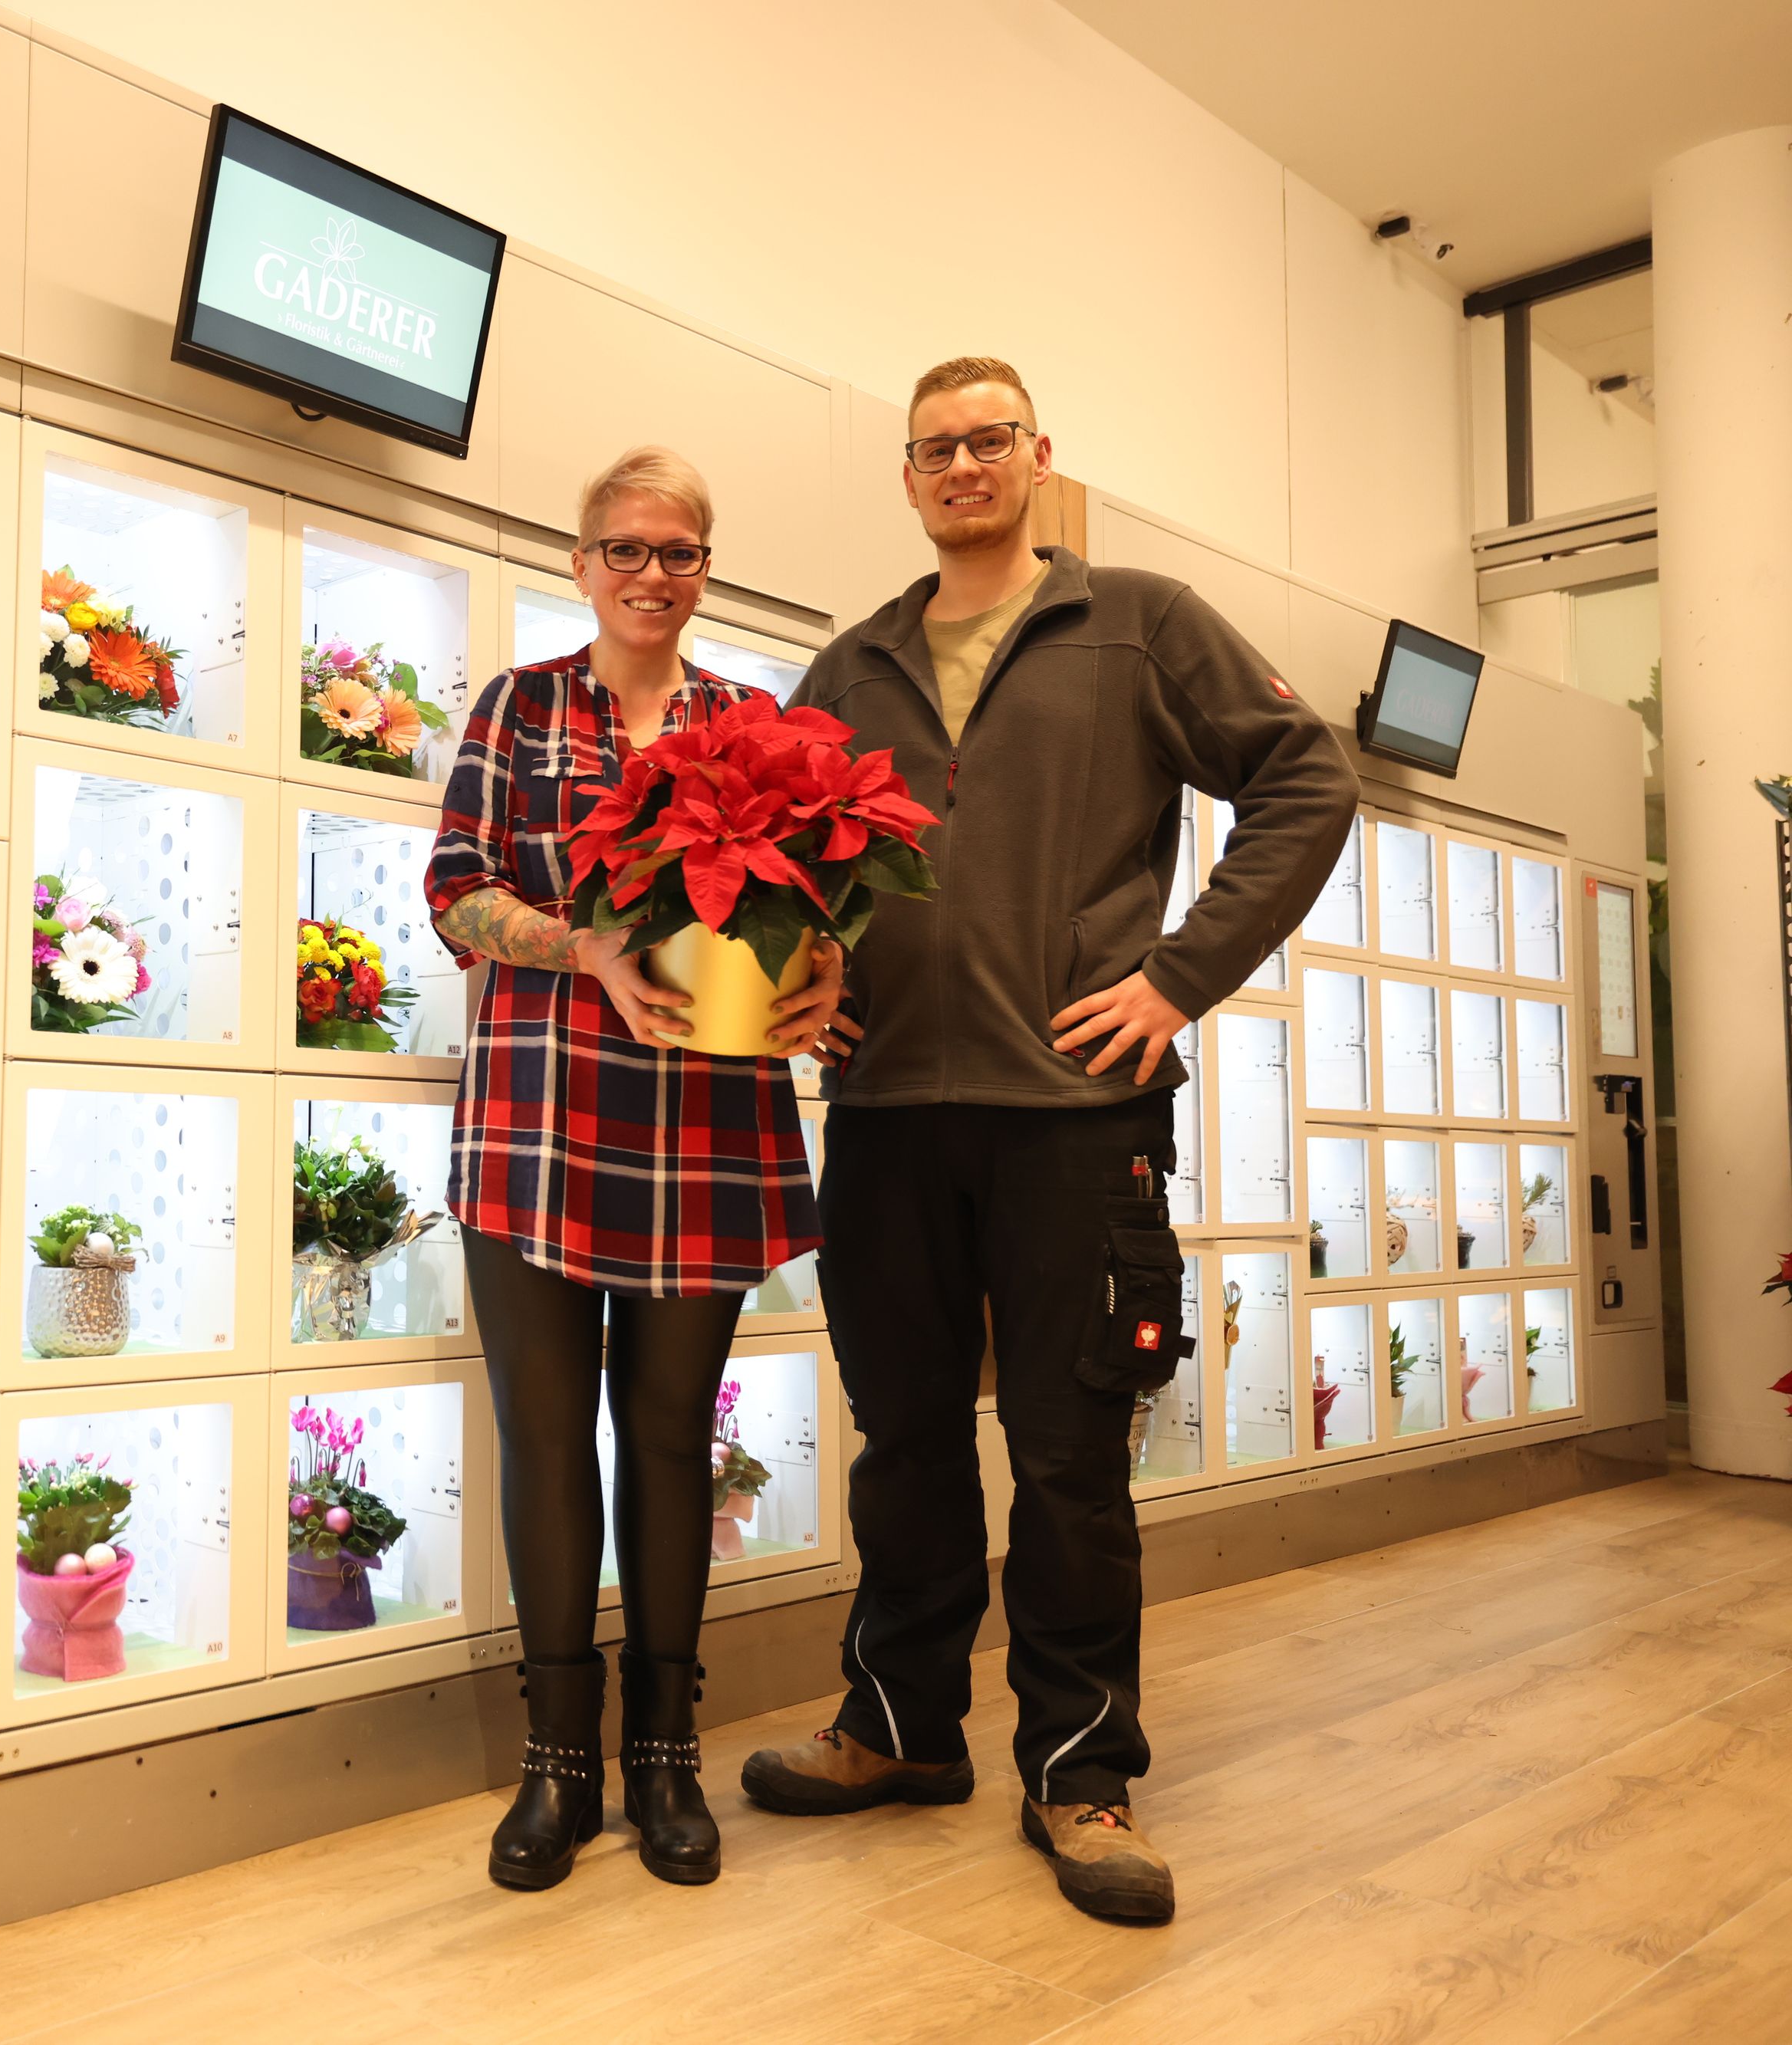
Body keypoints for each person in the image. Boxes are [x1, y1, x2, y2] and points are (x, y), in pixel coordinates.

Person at [739, 359, 1357, 1925]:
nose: (960, 464)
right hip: (881, 1115)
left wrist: (1174, 975)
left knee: (1070, 1452)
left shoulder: (1137, 622)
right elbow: (781, 869)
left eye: (986, 439)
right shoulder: (847, 666)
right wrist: (796, 983)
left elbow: (1305, 775)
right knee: (904, 1438)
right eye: (933, 447)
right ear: (905, 475)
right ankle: (897, 1724)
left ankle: (1079, 1769)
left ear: (1034, 457)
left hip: (1075, 1114)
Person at [425, 445, 843, 1892]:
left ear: (705, 567)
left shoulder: (755, 722)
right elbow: (457, 891)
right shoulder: (519, 707)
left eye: (681, 552)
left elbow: (818, 897)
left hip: (706, 1121)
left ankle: (666, 1757)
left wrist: (823, 970)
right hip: (540, 1120)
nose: (653, 574)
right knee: (546, 1444)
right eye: (627, 549)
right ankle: (560, 1765)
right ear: (582, 559)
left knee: (667, 1442)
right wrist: (583, 943)